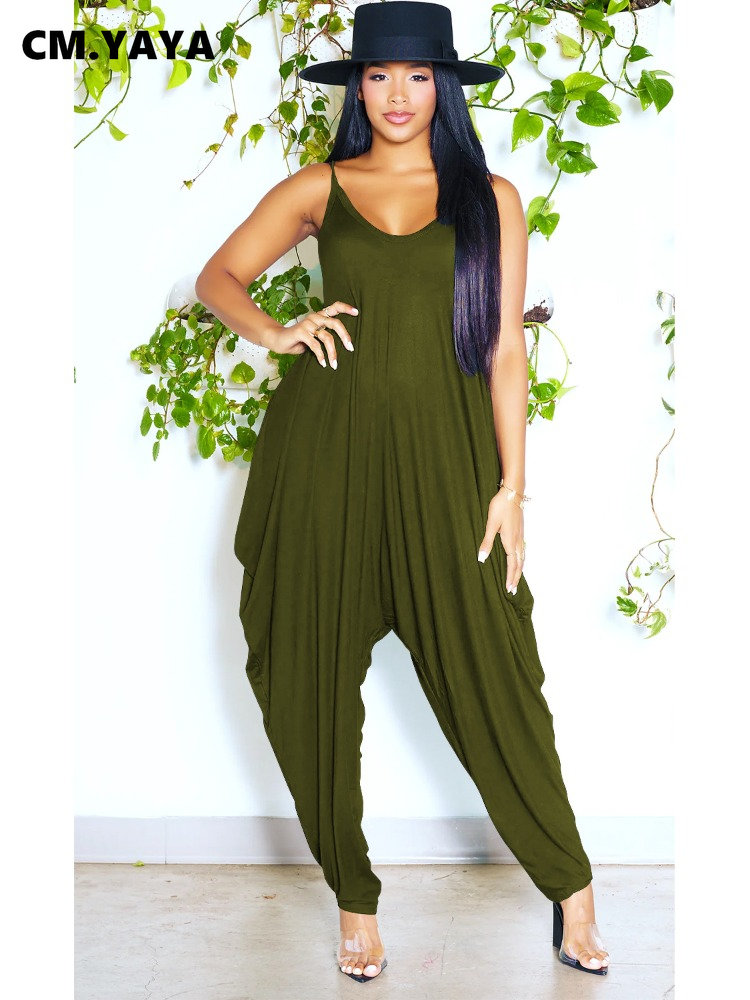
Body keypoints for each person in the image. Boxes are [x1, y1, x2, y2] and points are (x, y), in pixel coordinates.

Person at [195, 0, 610, 984]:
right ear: (356, 88)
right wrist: (278, 332)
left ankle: (574, 889)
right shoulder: (320, 186)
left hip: (448, 465)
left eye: (418, 76)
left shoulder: (491, 197)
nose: (395, 94)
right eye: (378, 75)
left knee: (496, 673)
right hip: (324, 458)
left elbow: (504, 350)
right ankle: (354, 898)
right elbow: (219, 277)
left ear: (445, 88)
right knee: (308, 675)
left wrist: (512, 488)